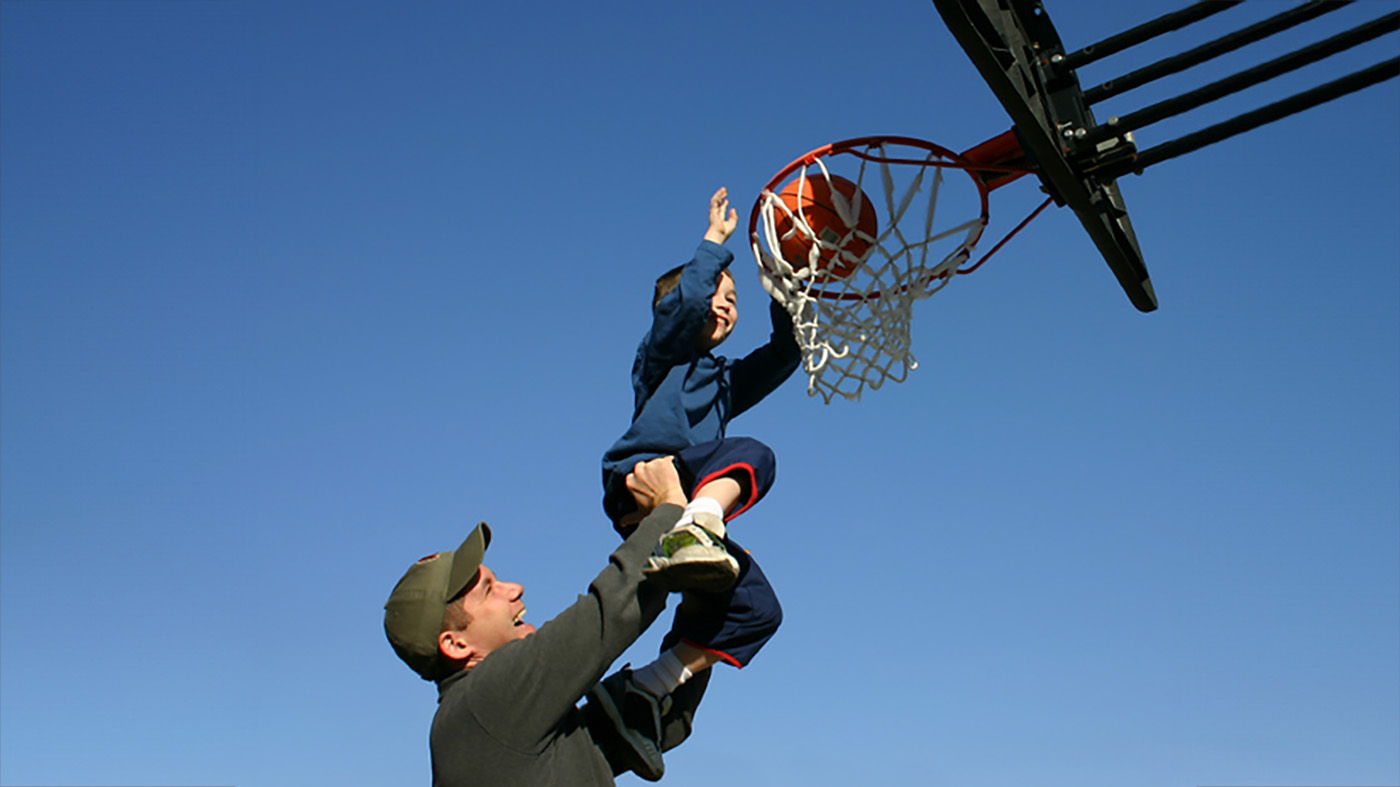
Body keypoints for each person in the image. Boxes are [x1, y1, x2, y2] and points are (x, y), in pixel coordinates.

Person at [595, 187, 801, 767]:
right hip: (643, 475)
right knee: (754, 454)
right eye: (717, 292)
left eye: (734, 299)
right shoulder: (661, 357)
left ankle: (645, 689)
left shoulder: (724, 382)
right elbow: (682, 308)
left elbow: (782, 357)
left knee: (758, 607)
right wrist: (713, 246)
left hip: (683, 495)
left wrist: (783, 297)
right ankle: (699, 526)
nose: (725, 303)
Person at [385, 457, 730, 786]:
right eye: (489, 590)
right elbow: (610, 613)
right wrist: (670, 508)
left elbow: (658, 724)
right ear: (455, 644)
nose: (515, 589)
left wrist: (702, 596)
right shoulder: (485, 701)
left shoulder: (499, 728)